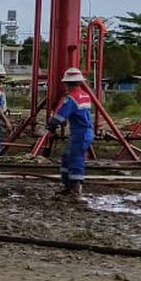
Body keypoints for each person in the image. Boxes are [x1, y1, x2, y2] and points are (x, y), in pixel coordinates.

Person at [47, 67, 95, 199]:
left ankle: (75, 188)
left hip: (80, 132)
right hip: (85, 131)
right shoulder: (85, 95)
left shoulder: (72, 98)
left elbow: (62, 114)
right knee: (67, 156)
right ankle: (68, 186)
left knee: (75, 158)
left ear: (67, 83)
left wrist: (52, 123)